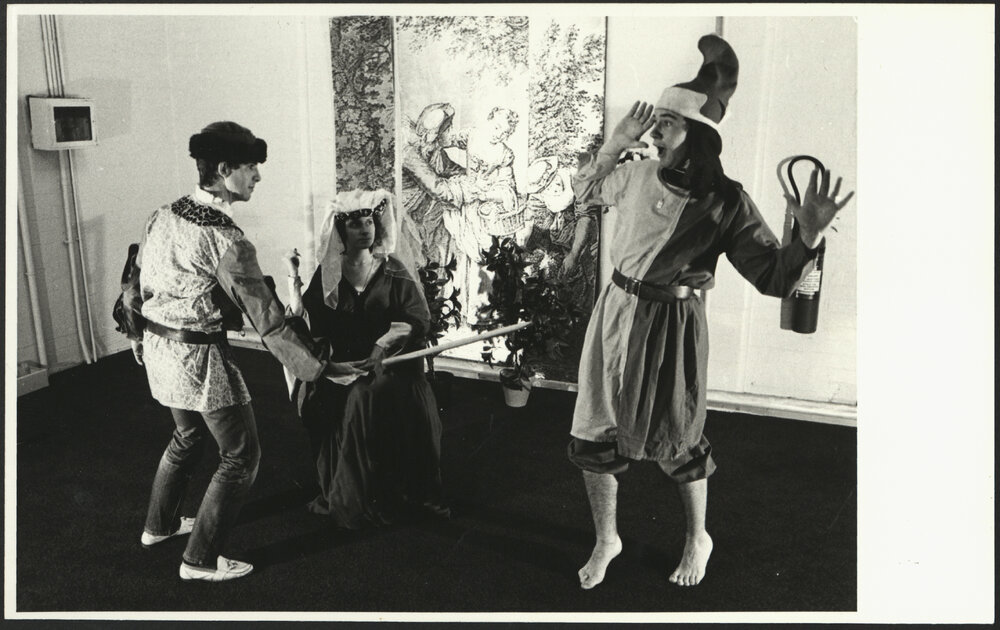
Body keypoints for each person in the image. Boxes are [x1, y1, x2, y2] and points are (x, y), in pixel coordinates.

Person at [566, 35, 854, 589]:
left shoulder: (727, 202)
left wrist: (809, 238)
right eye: (656, 123)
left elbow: (774, 276)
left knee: (679, 434)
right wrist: (615, 141)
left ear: (698, 136)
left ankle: (699, 535)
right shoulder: (634, 173)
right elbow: (585, 194)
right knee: (593, 432)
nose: (654, 132)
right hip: (615, 315)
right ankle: (608, 538)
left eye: (667, 125)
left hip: (672, 329)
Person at [120, 121, 359, 582]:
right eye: (251, 168)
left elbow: (136, 282)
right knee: (241, 456)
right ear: (225, 170)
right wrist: (319, 368)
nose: (258, 177)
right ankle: (200, 560)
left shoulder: (163, 213)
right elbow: (266, 319)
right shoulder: (227, 240)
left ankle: (159, 525)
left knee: (187, 438)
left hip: (159, 350)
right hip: (198, 362)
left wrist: (134, 334)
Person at [281, 189, 449, 529]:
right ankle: (350, 493)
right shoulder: (329, 273)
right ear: (342, 232)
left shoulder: (393, 270)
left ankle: (380, 496)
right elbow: (306, 323)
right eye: (356, 224)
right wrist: (293, 281)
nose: (365, 230)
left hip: (392, 364)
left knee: (365, 396)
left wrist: (382, 348)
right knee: (329, 395)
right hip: (344, 364)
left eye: (369, 222)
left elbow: (418, 320)